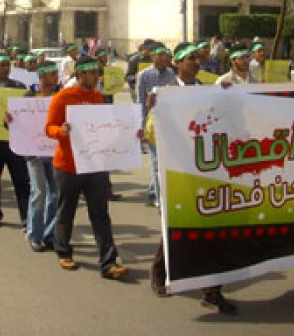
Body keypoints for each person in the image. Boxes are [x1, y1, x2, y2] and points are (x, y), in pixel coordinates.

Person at [148, 42, 236, 314]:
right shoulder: (165, 93)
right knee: (178, 223)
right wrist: (154, 111)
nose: (196, 63)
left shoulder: (206, 91)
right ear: (177, 63)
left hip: (206, 167)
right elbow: (151, 133)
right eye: (190, 58)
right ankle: (160, 271)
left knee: (211, 227)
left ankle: (212, 291)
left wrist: (228, 97)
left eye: (198, 58)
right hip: (178, 169)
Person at [45, 55, 129, 279]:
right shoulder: (62, 98)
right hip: (68, 166)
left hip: (95, 165)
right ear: (80, 74)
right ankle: (63, 252)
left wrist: (129, 134)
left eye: (98, 73)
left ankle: (108, 262)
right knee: (66, 211)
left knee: (100, 214)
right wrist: (61, 131)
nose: (97, 77)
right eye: (93, 73)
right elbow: (49, 128)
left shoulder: (98, 98)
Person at [0, 53, 30, 230]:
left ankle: (26, 217)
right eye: (1, 65)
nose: (5, 68)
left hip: (14, 143)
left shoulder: (19, 88)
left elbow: (28, 111)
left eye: (7, 65)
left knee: (21, 182)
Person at [15, 60, 61, 251]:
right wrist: (8, 119)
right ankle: (34, 234)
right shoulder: (29, 96)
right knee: (39, 192)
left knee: (55, 194)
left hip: (54, 152)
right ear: (41, 75)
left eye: (56, 73)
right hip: (33, 153)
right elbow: (15, 123)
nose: (56, 77)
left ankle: (49, 234)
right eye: (52, 74)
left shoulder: (59, 96)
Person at [136, 42, 176, 207]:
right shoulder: (144, 75)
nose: (163, 58)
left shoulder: (171, 74)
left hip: (169, 123)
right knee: (155, 162)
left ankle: (154, 190)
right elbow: (140, 101)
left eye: (165, 54)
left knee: (166, 161)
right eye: (159, 54)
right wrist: (142, 125)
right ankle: (160, 200)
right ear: (152, 56)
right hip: (151, 124)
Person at [125, 38, 154, 103]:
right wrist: (135, 77)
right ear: (144, 48)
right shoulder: (134, 60)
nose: (152, 51)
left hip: (151, 91)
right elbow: (127, 77)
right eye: (150, 49)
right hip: (137, 91)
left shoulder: (154, 59)